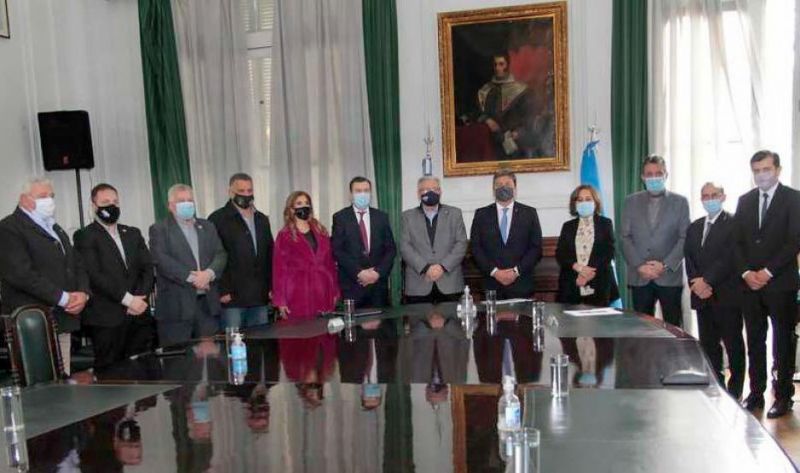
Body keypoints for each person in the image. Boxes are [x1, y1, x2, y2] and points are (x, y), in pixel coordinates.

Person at [734, 150, 800, 418]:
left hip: (781, 283)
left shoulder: (793, 199)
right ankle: (756, 393)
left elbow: (794, 241)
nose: (761, 175)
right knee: (755, 340)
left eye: (766, 169)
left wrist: (768, 272)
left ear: (778, 170)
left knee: (783, 341)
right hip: (749, 285)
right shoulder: (745, 200)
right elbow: (737, 242)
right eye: (757, 170)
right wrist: (746, 273)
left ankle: (783, 396)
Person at [0, 176, 90, 372]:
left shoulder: (55, 227)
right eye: (42, 196)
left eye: (51, 195)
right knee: (41, 383)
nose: (49, 200)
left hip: (61, 320)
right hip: (31, 324)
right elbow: (21, 274)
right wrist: (63, 298)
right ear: (24, 199)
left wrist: (83, 293)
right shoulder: (9, 228)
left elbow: (76, 263)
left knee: (63, 378)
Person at [73, 183, 155, 369]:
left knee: (143, 368)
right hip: (107, 318)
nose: (112, 206)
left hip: (139, 314)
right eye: (105, 202)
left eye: (115, 202)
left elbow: (147, 267)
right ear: (94, 206)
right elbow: (94, 275)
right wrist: (128, 300)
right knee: (110, 372)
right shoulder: (84, 235)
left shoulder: (133, 233)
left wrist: (139, 298)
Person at [683, 182, 744, 399]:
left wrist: (707, 281)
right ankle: (716, 387)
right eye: (705, 196)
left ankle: (736, 391)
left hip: (727, 295)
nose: (709, 199)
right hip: (702, 296)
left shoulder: (735, 223)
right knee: (709, 346)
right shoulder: (695, 226)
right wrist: (696, 283)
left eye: (714, 195)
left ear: (723, 196)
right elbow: (688, 257)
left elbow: (730, 258)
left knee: (733, 344)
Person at [149, 184, 227, 347]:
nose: (187, 204)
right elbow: (162, 260)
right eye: (181, 201)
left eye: (190, 200)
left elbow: (220, 254)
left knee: (211, 359)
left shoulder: (207, 226)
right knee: (177, 359)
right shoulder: (159, 229)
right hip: (176, 309)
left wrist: (208, 274)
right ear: (171, 206)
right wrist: (194, 278)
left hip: (207, 306)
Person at [621, 155, 689, 327]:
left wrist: (664, 265)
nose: (654, 178)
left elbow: (684, 237)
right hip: (640, 276)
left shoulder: (680, 202)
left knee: (673, 329)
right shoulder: (630, 201)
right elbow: (625, 237)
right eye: (649, 174)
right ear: (642, 177)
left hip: (669, 277)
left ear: (666, 175)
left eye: (658, 173)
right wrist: (639, 266)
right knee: (642, 329)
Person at [208, 173, 274, 329]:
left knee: (261, 339)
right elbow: (212, 255)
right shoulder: (218, 219)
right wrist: (222, 290)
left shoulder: (262, 219)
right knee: (234, 340)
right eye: (241, 191)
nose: (246, 194)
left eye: (249, 191)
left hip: (259, 295)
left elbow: (270, 253)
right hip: (232, 297)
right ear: (230, 192)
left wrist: (272, 286)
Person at [469, 169, 543, 299]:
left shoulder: (529, 213)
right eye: (499, 185)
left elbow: (536, 248)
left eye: (508, 184)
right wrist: (495, 272)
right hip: (491, 285)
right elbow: (476, 248)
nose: (503, 187)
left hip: (521, 284)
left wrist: (516, 271)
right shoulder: (481, 215)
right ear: (493, 190)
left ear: (515, 188)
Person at [272, 191, 339, 320]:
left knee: (323, 328)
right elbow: (279, 270)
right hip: (297, 292)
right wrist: (280, 300)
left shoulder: (321, 231)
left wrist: (335, 290)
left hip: (323, 288)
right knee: (301, 329)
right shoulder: (284, 235)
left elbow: (330, 263)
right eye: (299, 203)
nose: (304, 206)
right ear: (291, 209)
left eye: (307, 203)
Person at [400, 176, 467, 304]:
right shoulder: (407, 217)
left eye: (435, 189)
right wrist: (426, 268)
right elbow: (405, 246)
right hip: (418, 285)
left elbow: (461, 243)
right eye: (426, 190)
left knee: (452, 317)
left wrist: (442, 267)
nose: (431, 193)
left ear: (440, 192)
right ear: (418, 194)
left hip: (450, 284)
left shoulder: (455, 214)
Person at [332, 177, 397, 308]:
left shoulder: (381, 217)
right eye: (358, 191)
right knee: (354, 321)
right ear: (351, 195)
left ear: (371, 193)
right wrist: (359, 273)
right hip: (352, 286)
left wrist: (377, 273)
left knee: (381, 321)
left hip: (378, 287)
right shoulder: (340, 217)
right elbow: (337, 250)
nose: (363, 194)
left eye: (366, 190)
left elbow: (391, 249)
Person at [555, 184, 619, 306]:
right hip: (572, 284)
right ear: (574, 204)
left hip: (599, 283)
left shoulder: (605, 224)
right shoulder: (568, 226)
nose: (584, 203)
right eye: (580, 200)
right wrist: (579, 269)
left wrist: (588, 274)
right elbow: (561, 254)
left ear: (596, 202)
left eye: (588, 199)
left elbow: (609, 252)